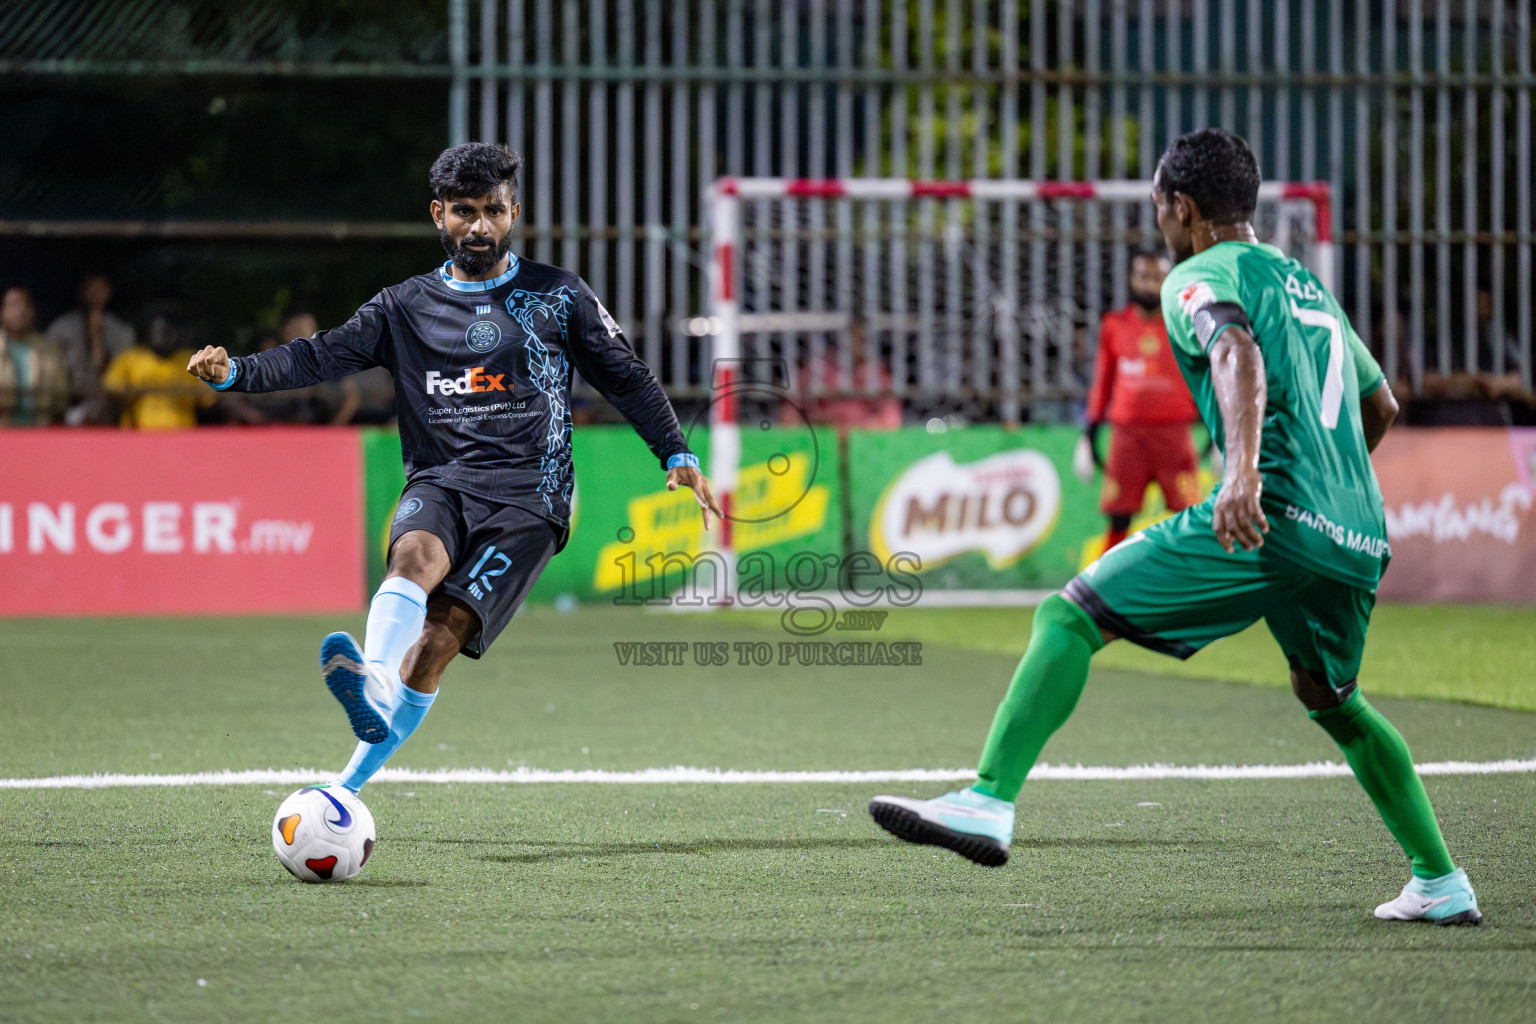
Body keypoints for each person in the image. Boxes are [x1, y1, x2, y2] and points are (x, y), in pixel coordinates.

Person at [869, 128, 1482, 927]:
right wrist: (1332, 486)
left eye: (1159, 207)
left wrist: (1244, 471)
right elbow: (1383, 406)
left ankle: (987, 799)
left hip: (1274, 517)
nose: (1159, 226)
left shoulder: (1198, 273)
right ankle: (1440, 881)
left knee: (1069, 614)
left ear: (1182, 208)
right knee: (1333, 700)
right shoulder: (1308, 286)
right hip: (1358, 535)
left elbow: (1234, 351)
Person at [186, 143, 719, 794]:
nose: (480, 226)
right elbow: (319, 357)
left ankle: (346, 786)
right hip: (442, 480)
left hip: (531, 501)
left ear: (513, 212)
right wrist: (237, 371)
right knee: (412, 556)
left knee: (437, 644)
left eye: (493, 210)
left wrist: (677, 452)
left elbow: (627, 377)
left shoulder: (556, 296)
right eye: (464, 211)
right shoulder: (402, 307)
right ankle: (373, 683)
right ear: (438, 214)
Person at [1075, 251, 1203, 550]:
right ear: (1132, 279)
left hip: (1174, 435)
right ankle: (1108, 588)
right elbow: (1102, 382)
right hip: (1127, 437)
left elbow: (1203, 378)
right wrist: (1088, 434)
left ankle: (1192, 587)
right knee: (1118, 517)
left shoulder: (1182, 323)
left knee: (1189, 518)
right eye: (1143, 277)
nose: (1149, 285)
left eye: (1157, 278)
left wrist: (1218, 434)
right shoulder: (1114, 325)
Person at [102, 307, 214, 429]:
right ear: (150, 332)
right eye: (160, 331)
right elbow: (111, 389)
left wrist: (184, 390)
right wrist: (143, 390)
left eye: (169, 332)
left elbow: (208, 400)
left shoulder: (192, 359)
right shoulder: (131, 358)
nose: (164, 337)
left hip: (182, 434)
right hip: (139, 434)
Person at [46, 272, 136, 423]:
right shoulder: (61, 328)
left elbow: (122, 376)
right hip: (71, 406)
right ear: (81, 291)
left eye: (100, 287)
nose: (95, 292)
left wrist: (97, 341)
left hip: (110, 410)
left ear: (109, 292)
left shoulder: (122, 331)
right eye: (90, 287)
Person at [0, 286, 70, 425]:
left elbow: (62, 397)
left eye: (25, 306)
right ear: (2, 311)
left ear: (32, 312)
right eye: (13, 306)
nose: (20, 312)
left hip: (39, 431)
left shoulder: (50, 350)